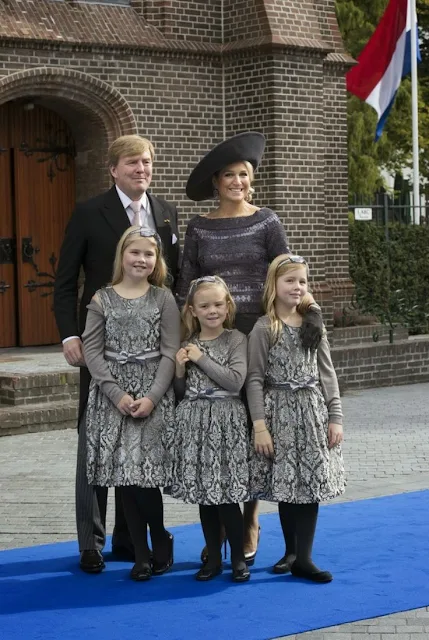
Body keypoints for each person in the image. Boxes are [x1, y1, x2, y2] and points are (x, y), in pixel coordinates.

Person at [175, 131, 324, 566]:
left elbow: (287, 272)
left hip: (258, 335)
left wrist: (311, 312)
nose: (237, 181)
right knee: (221, 434)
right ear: (216, 183)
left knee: (252, 429)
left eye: (244, 174)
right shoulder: (199, 227)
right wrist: (187, 339)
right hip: (212, 335)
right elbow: (186, 283)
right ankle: (217, 532)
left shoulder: (267, 222)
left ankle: (250, 520)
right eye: (229, 176)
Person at [54, 134, 180, 574]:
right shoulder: (90, 212)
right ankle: (92, 542)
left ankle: (132, 539)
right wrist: (69, 335)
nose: (140, 169)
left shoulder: (165, 213)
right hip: (101, 350)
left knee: (139, 441)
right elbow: (65, 278)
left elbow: (175, 279)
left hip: (152, 356)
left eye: (146, 162)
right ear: (113, 169)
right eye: (131, 163)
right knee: (96, 439)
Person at [82, 226, 180, 581]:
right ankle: (140, 555)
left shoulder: (163, 298)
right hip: (113, 397)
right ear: (122, 254)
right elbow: (91, 351)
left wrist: (152, 397)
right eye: (135, 252)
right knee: (124, 476)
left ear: (157, 262)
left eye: (149, 254)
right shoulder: (101, 299)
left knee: (146, 478)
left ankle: (160, 537)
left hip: (152, 393)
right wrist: (116, 393)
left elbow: (170, 352)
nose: (141, 259)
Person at [246, 254, 345, 583]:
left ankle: (304, 557)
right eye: (290, 280)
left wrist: (336, 416)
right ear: (273, 285)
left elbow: (327, 372)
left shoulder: (312, 324)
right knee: (288, 485)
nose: (297, 287)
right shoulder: (264, 328)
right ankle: (291, 552)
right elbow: (255, 379)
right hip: (280, 415)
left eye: (302, 281)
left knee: (310, 485)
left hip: (312, 412)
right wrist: (260, 425)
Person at [171, 275, 250, 582]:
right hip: (196, 424)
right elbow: (180, 392)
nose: (212, 310)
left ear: (227, 306)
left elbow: (234, 381)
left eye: (218, 304)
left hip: (227, 421)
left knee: (228, 493)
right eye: (204, 305)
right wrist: (180, 369)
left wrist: (200, 358)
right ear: (192, 310)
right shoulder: (187, 344)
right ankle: (213, 557)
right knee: (206, 495)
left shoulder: (236, 339)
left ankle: (238, 559)